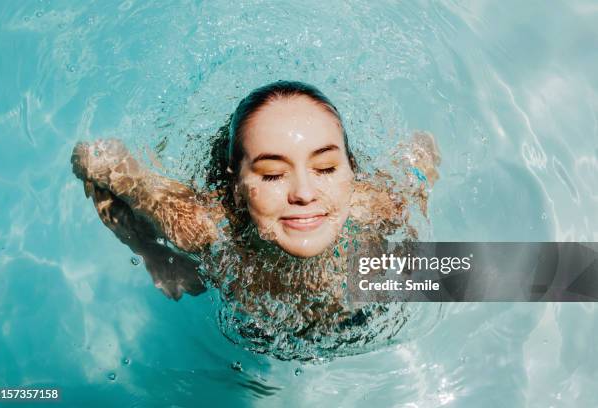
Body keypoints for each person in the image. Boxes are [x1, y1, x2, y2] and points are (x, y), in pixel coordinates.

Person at [71, 80, 440, 356]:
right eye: (272, 174)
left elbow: (423, 152)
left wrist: (413, 230)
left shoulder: (376, 206)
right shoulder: (202, 227)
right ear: (237, 188)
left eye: (326, 167)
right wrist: (151, 252)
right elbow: (94, 161)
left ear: (351, 171)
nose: (305, 193)